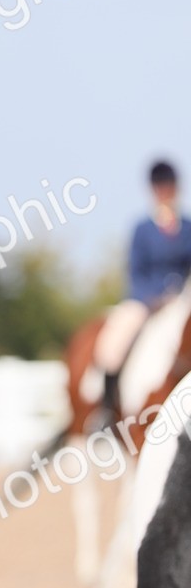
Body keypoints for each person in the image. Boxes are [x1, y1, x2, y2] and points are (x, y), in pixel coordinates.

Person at [95, 160, 191, 418]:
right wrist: (153, 298)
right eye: (161, 187)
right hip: (146, 299)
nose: (165, 192)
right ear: (154, 190)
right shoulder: (142, 228)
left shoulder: (188, 226)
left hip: (181, 300)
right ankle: (106, 410)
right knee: (114, 342)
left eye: (169, 187)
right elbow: (135, 270)